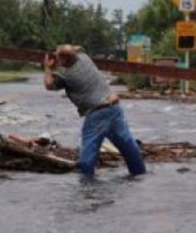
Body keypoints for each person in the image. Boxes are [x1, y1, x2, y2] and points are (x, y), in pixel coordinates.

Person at [43, 44, 146, 177]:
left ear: (63, 60)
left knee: (88, 153)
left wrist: (47, 67)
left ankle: (87, 185)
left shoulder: (67, 76)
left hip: (97, 113)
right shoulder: (84, 57)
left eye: (57, 55)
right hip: (114, 107)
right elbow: (75, 48)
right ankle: (140, 175)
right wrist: (63, 51)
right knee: (128, 145)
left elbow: (49, 85)